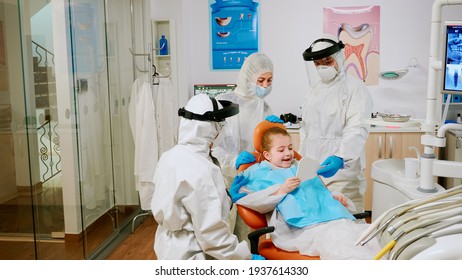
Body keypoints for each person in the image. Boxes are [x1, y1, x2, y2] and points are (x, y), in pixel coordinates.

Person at [229, 126, 380, 259]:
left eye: (290, 147)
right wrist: (281, 190)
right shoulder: (258, 173)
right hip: (302, 230)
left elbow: (317, 192)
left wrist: (334, 197)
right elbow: (251, 200)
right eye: (281, 150)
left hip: (332, 220)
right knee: (343, 247)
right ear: (267, 155)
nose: (288, 153)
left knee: (372, 237)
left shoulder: (301, 166)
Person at [150, 94, 264, 260]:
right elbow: (213, 236)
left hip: (168, 247)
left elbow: (185, 204)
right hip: (194, 252)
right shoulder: (202, 169)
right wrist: (245, 259)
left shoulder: (169, 157)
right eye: (219, 128)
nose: (220, 134)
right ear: (209, 129)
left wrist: (227, 198)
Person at [300, 34, 373, 213]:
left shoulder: (355, 88)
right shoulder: (313, 92)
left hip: (343, 175)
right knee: (319, 227)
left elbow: (357, 127)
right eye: (317, 63)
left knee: (347, 226)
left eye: (327, 61)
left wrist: (341, 157)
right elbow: (306, 133)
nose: (322, 67)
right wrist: (302, 163)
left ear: (339, 58)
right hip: (314, 175)